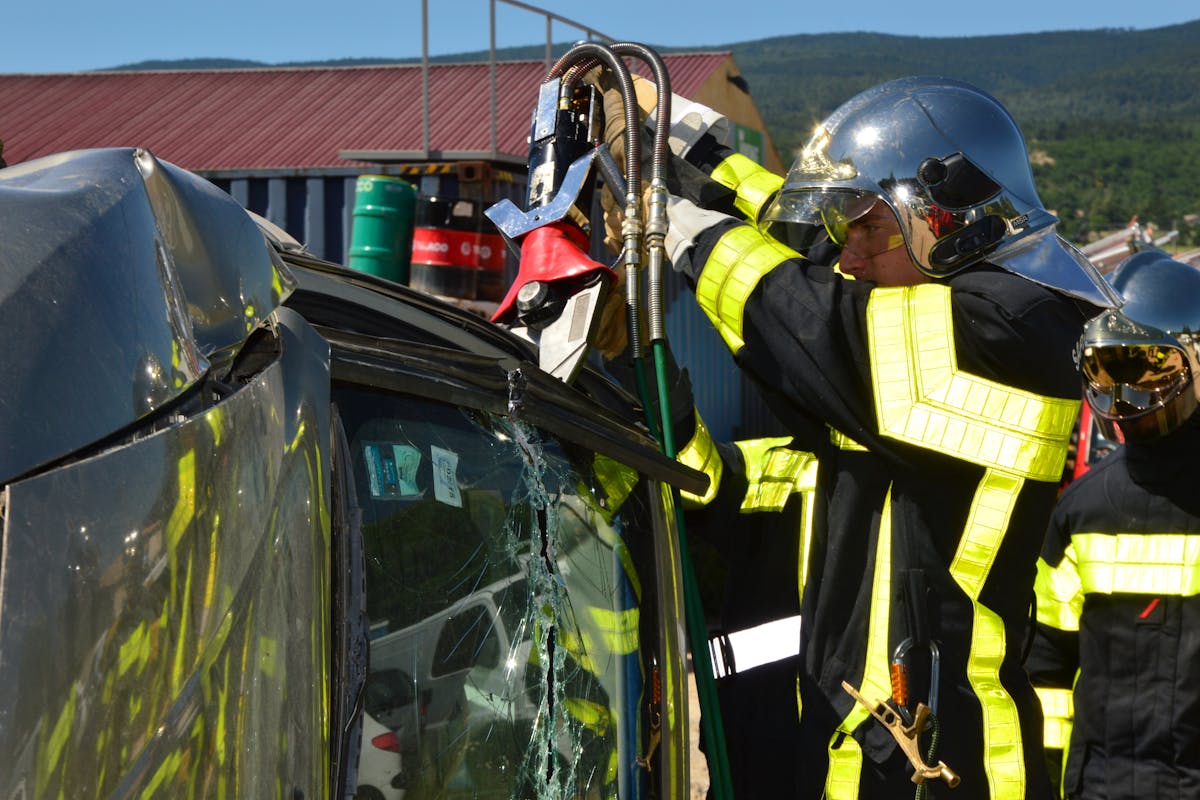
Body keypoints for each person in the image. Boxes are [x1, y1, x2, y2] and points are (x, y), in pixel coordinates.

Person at [600, 75, 1115, 799]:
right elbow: (802, 243)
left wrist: (666, 223)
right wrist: (679, 137)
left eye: (870, 229)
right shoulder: (929, 308)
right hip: (854, 758)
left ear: (946, 221)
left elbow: (808, 321)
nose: (848, 257)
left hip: (948, 773)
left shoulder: (1017, 331)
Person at [1026, 250, 1200, 799]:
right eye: (1105, 369)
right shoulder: (1080, 510)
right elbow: (1046, 666)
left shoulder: (1080, 506)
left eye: (1145, 368)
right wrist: (1046, 780)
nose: (1123, 395)